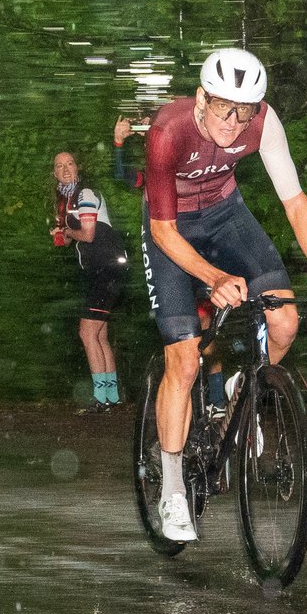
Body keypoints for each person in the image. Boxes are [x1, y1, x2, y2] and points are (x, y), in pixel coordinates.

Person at [141, 48, 307, 541]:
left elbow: (295, 202)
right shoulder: (168, 131)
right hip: (170, 227)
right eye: (222, 108)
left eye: (245, 111)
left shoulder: (264, 123)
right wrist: (213, 277)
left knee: (284, 320)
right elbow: (165, 232)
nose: (234, 123)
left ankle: (242, 394)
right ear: (201, 98)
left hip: (226, 215)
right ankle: (172, 489)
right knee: (185, 360)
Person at [114, 116, 229, 413]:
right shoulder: (151, 173)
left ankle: (216, 399)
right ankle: (185, 401)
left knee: (209, 325)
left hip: (201, 248)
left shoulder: (192, 159)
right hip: (168, 254)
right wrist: (118, 143)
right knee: (186, 335)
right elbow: (123, 175)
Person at [51, 151, 130, 413]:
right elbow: (73, 238)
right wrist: (62, 234)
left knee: (86, 332)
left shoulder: (85, 194)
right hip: (102, 270)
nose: (65, 169)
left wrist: (67, 231)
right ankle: (113, 397)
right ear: (54, 174)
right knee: (100, 335)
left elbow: (87, 233)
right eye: (59, 166)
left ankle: (101, 398)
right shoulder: (65, 202)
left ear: (78, 168)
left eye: (69, 164)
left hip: (106, 268)